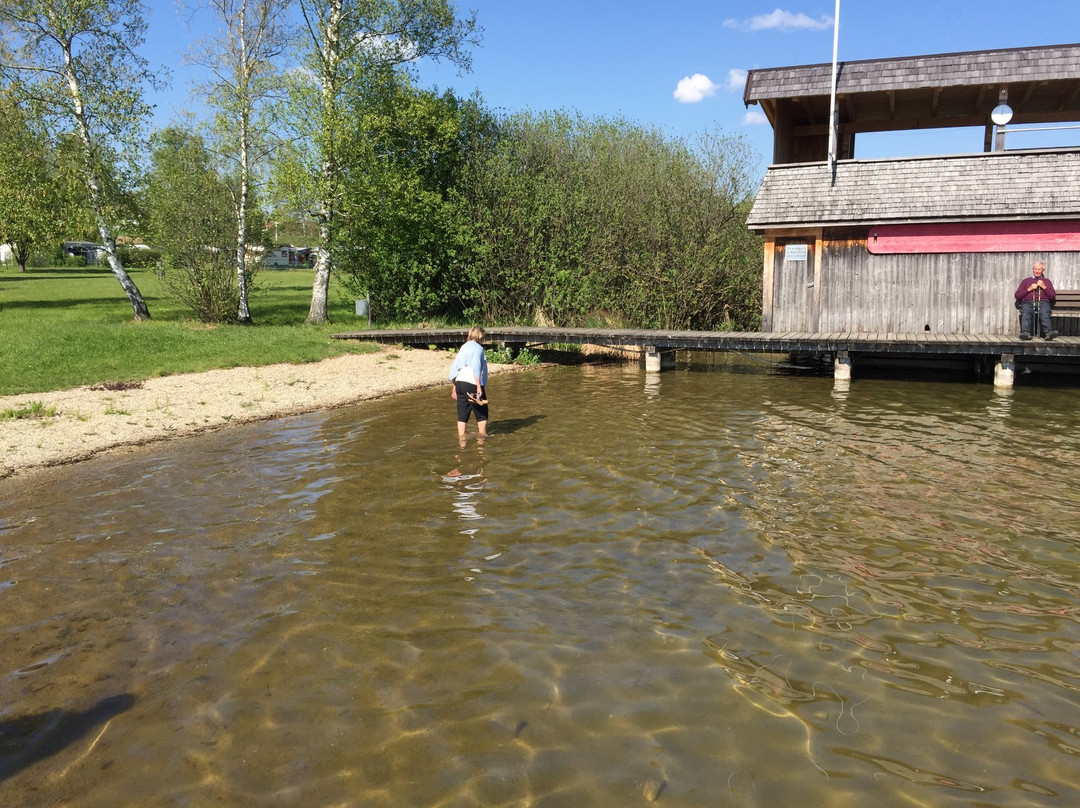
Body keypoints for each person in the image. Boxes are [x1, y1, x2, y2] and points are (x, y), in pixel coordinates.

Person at [448, 325, 489, 437]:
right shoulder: (478, 349)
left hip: (460, 382)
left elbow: (456, 367)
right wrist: (479, 387)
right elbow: (475, 367)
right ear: (480, 336)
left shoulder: (464, 347)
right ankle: (482, 441)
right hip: (472, 383)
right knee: (482, 414)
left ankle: (462, 442)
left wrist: (455, 386)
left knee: (462, 415)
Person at [1014, 261, 1059, 341]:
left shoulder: (1047, 281)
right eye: (1035, 269)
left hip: (1043, 302)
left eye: (1039, 269)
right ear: (1033, 270)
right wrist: (1029, 289)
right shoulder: (1026, 281)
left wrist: (1044, 287)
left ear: (1043, 271)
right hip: (1028, 302)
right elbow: (1017, 295)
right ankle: (1025, 333)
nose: (1037, 271)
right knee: (1026, 312)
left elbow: (1052, 296)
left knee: (1044, 312)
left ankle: (1049, 333)